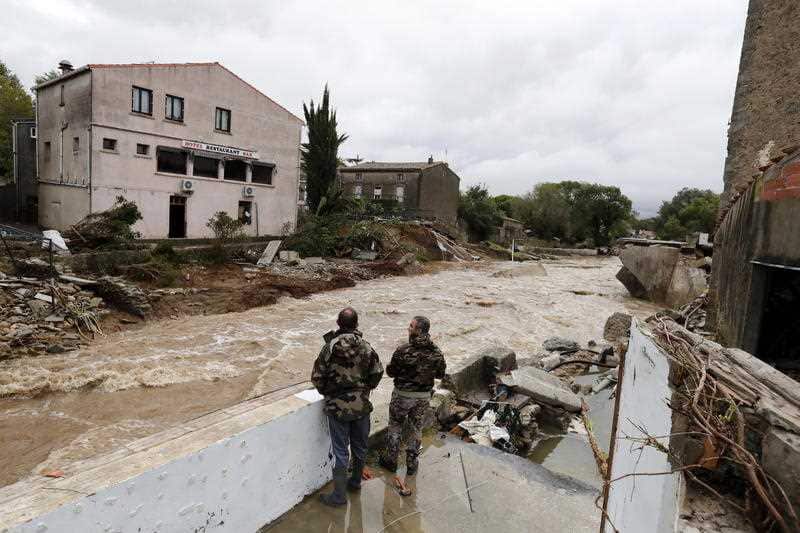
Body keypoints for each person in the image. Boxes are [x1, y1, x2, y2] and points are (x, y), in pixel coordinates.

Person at [311, 307, 384, 507]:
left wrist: (329, 393)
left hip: (338, 408)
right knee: (360, 447)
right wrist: (365, 389)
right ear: (357, 324)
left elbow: (317, 377)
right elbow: (378, 371)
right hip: (361, 405)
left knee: (341, 451)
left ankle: (338, 496)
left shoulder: (330, 346)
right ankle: (355, 483)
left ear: (338, 323)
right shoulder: (366, 346)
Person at [380, 316, 446, 475]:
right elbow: (440, 375)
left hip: (402, 396)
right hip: (423, 398)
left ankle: (391, 460)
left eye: (411, 326)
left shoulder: (403, 350)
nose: (408, 328)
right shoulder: (436, 352)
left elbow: (390, 372)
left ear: (419, 330)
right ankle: (411, 463)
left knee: (395, 426)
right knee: (417, 427)